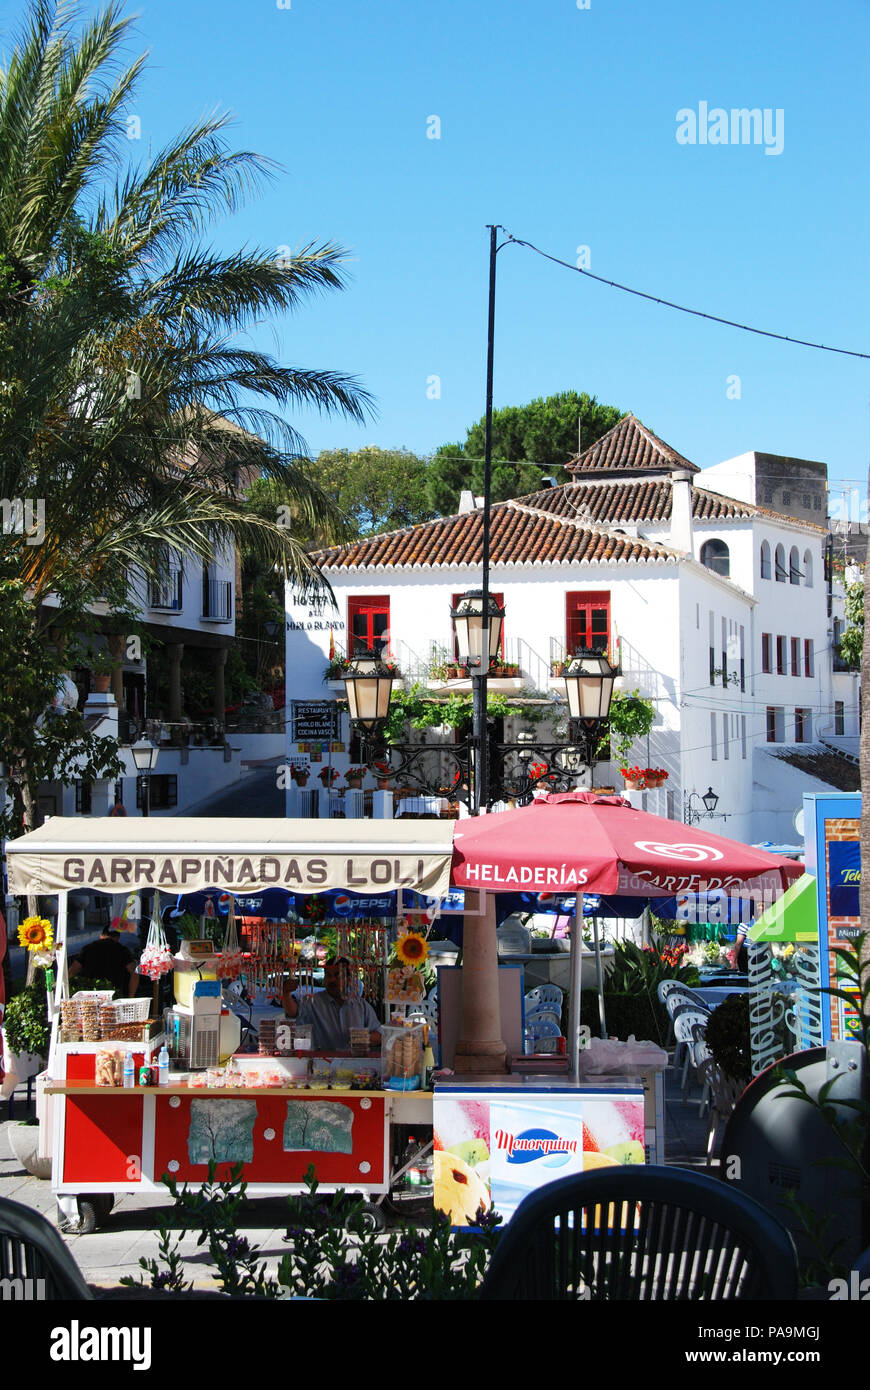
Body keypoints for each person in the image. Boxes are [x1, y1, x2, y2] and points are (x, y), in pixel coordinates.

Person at [281, 956, 381, 1051]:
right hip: (323, 1064)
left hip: (354, 1063)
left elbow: (379, 1036)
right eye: (328, 975)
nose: (332, 980)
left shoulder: (361, 1006)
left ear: (349, 979)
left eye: (338, 975)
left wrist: (361, 1038)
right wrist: (286, 994)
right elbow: (293, 1013)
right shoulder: (313, 1002)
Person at [69, 926, 139, 998]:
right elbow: (134, 973)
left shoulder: (88, 948)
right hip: (114, 995)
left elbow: (73, 969)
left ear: (101, 936)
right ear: (117, 938)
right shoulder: (122, 950)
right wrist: (131, 996)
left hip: (90, 995)